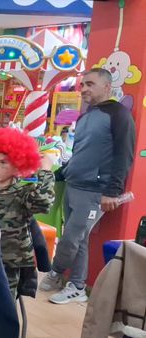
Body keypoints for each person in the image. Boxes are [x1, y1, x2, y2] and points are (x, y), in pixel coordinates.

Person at [41, 68, 136, 304]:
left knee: (71, 238)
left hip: (95, 190)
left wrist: (112, 191)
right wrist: (59, 174)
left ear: (107, 86)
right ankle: (77, 285)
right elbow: (79, 153)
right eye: (83, 84)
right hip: (73, 185)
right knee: (79, 239)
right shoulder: (85, 116)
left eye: (90, 84)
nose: (83, 89)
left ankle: (55, 272)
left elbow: (125, 154)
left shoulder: (119, 114)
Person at [0, 127, 55, 298]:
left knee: (5, 303)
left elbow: (43, 202)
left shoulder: (24, 192)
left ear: (17, 164)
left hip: (10, 262)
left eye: (3, 162)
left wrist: (46, 171)